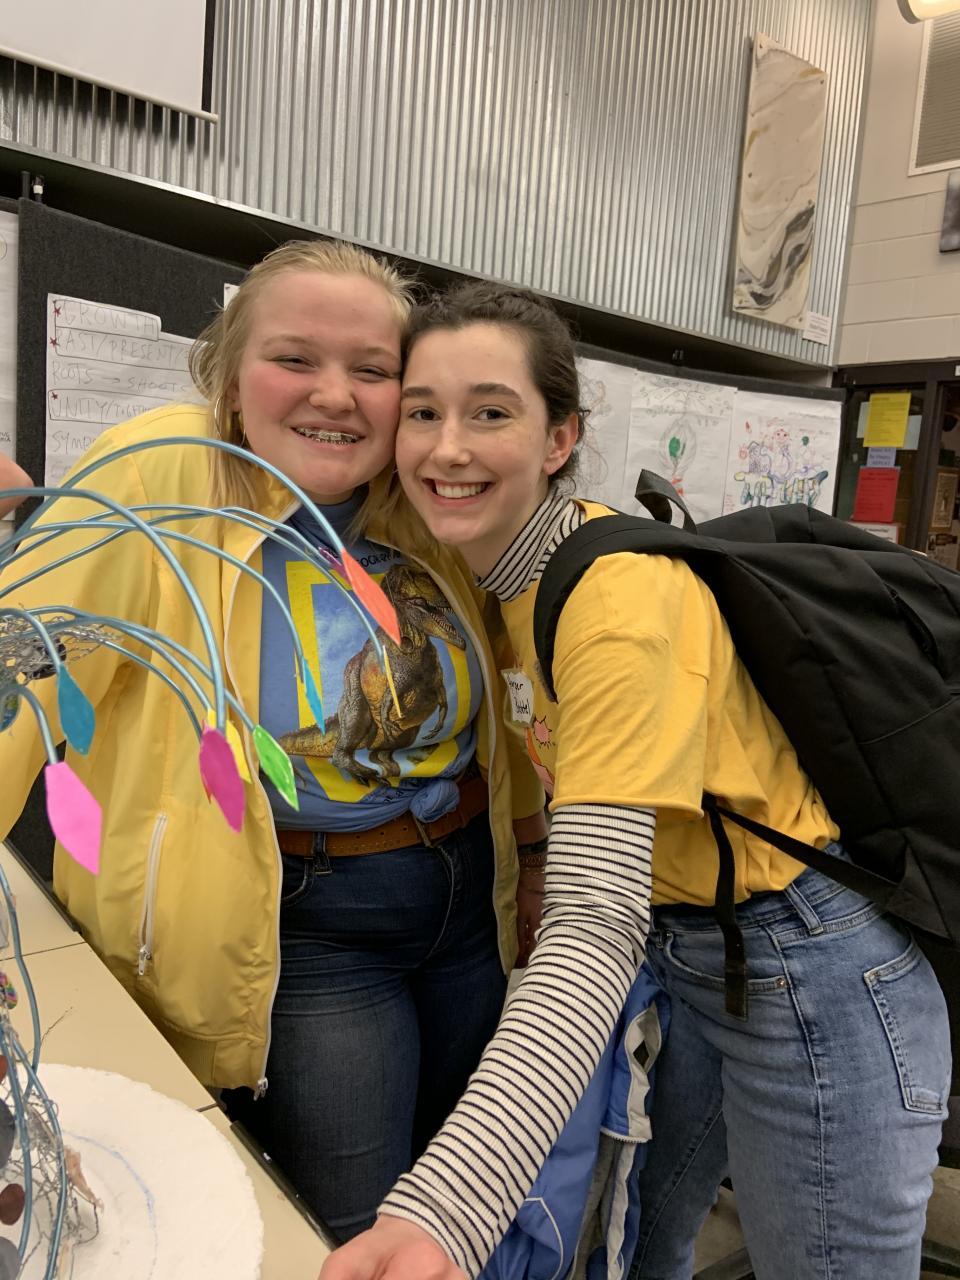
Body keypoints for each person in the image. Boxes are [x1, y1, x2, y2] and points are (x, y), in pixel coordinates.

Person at [319, 281, 952, 1280]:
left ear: (560, 438)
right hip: (690, 953)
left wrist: (446, 1210)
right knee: (635, 1243)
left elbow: (595, 920)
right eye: (424, 413)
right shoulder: (494, 573)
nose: (448, 448)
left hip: (806, 964)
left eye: (492, 412)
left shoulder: (616, 601)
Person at [0, 245, 547, 1241]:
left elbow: (498, 693)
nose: (335, 395)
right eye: (295, 358)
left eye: (373, 369)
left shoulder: (424, 492)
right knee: (351, 1224)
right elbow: (16, 679)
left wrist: (534, 850)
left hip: (466, 895)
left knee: (464, 1199)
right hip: (310, 920)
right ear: (228, 372)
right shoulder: (157, 474)